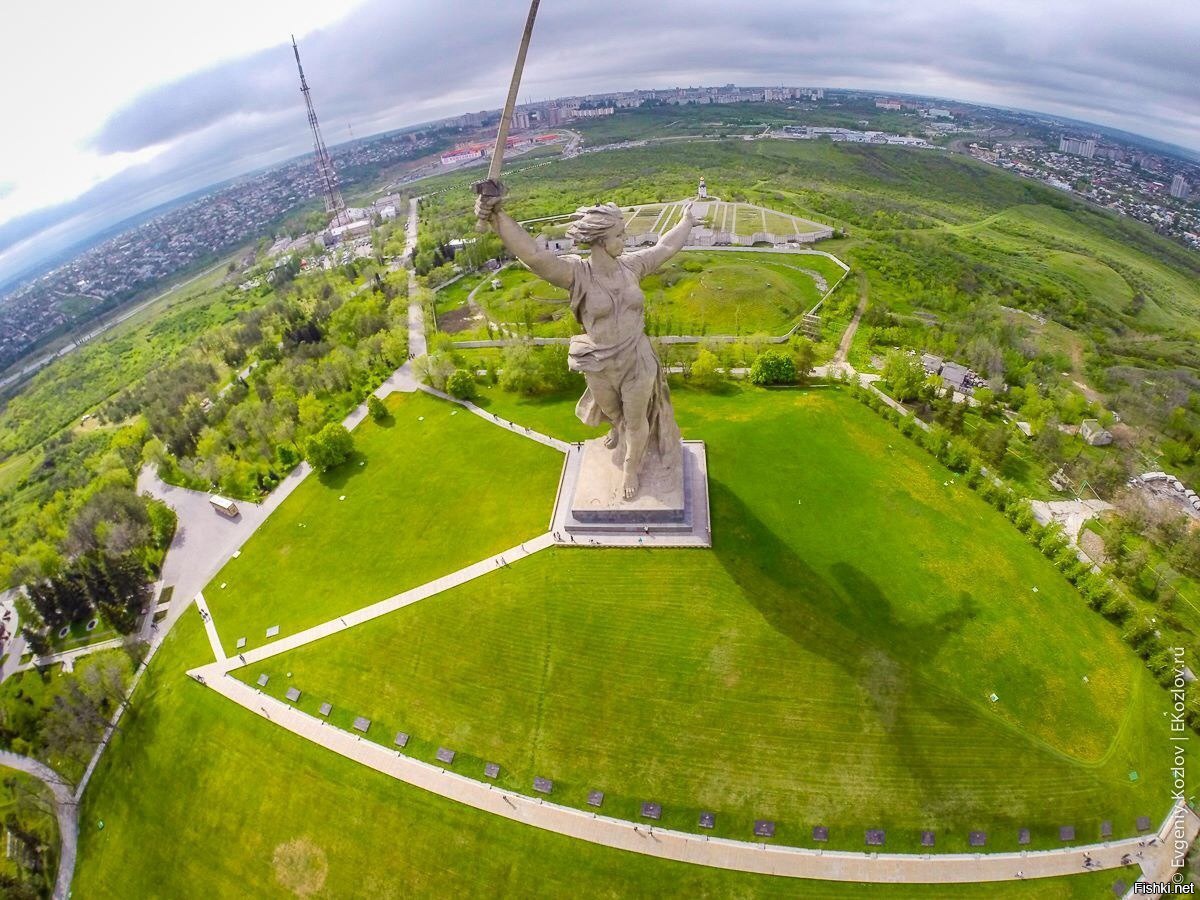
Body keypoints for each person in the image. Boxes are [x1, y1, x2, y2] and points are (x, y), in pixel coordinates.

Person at [477, 189, 693, 499]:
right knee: (615, 415)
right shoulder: (577, 274)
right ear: (602, 240)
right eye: (620, 235)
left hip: (636, 358)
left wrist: (686, 221)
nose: (626, 240)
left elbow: (666, 246)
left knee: (636, 420)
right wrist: (497, 216)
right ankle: (616, 430)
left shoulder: (632, 266)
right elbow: (535, 256)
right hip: (600, 362)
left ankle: (631, 469)